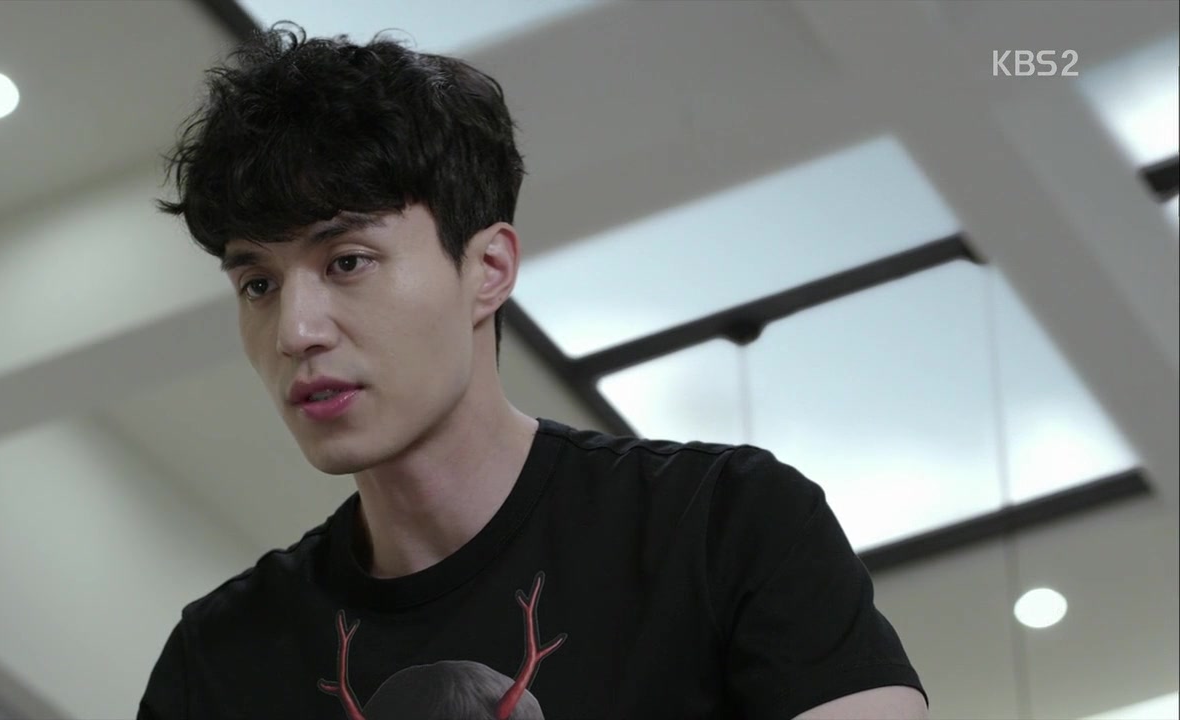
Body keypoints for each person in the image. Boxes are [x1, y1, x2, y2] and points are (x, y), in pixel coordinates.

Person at [138, 22, 929, 720]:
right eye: (258, 285)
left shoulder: (724, 527)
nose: (295, 331)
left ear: (488, 269)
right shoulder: (219, 664)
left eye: (347, 261)